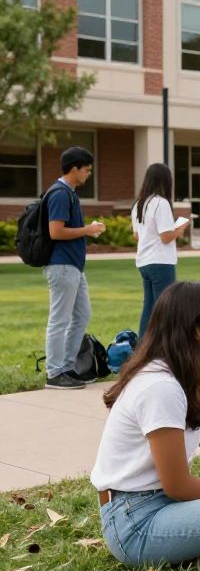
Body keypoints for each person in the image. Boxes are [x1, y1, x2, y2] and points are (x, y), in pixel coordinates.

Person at [90, 281, 200, 567]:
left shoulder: (191, 372)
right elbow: (178, 486)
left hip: (163, 503)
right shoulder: (161, 386)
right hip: (135, 521)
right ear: (194, 328)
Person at [43, 146, 106, 390]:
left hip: (74, 267)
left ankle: (67, 367)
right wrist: (87, 230)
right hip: (62, 266)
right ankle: (55, 372)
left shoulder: (70, 193)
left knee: (82, 315)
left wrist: (86, 230)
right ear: (74, 169)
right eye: (87, 170)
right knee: (59, 319)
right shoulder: (59, 193)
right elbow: (55, 231)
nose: (88, 174)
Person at [131, 162, 189, 338]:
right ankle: (163, 348)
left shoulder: (138, 204)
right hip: (161, 262)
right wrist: (180, 228)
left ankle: (143, 348)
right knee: (166, 308)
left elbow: (137, 235)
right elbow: (165, 236)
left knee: (149, 307)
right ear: (165, 181)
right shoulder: (161, 203)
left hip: (144, 261)